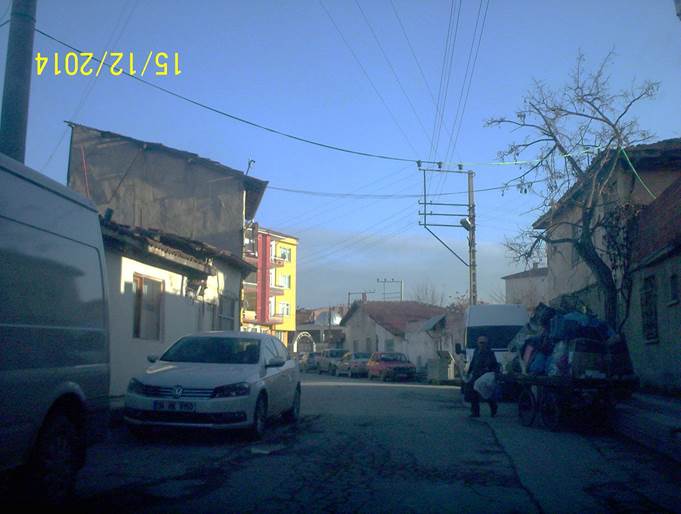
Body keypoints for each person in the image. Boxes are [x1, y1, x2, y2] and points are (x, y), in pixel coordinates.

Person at [465, 335, 499, 418]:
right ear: (477, 343)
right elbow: (473, 362)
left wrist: (487, 370)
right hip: (476, 375)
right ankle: (475, 412)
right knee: (473, 393)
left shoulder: (489, 352)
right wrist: (469, 372)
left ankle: (493, 407)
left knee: (485, 393)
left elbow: (493, 364)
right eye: (480, 342)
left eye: (483, 343)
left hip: (484, 376)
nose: (482, 344)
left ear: (486, 343)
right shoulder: (476, 351)